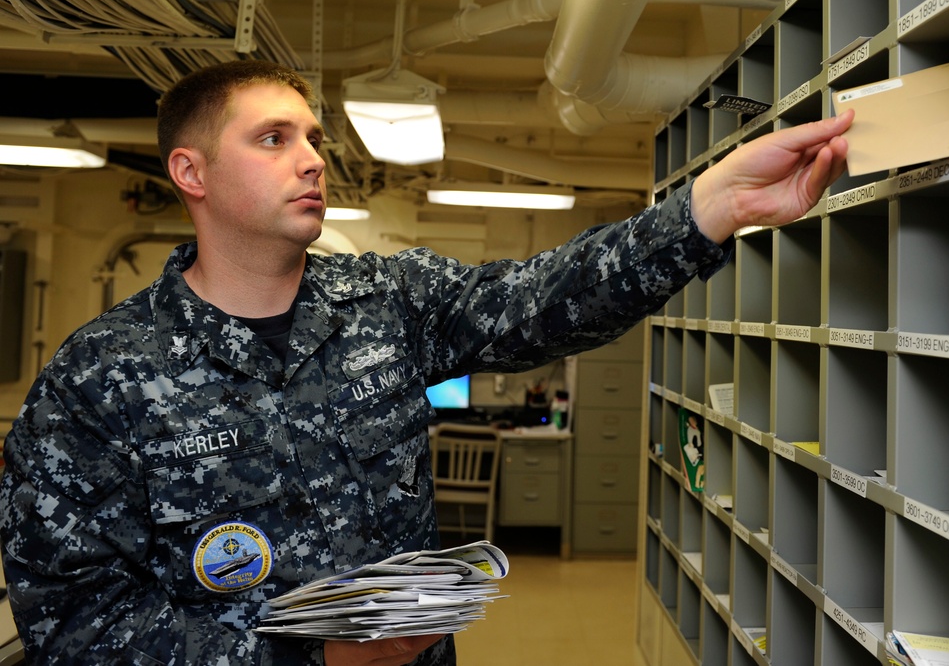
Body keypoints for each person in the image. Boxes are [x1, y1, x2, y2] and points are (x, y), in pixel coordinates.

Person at [0, 59, 851, 665]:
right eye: (272, 138)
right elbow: (72, 626)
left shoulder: (391, 299)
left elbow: (546, 295)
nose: (311, 157)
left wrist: (711, 207)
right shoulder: (95, 381)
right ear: (190, 171)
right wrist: (309, 659)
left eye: (312, 137)